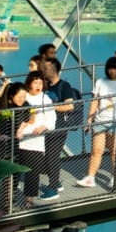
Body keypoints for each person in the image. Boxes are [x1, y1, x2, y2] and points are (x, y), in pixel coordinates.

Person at [80, 57, 116, 188]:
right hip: (100, 121)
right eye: (109, 68)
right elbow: (95, 101)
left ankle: (115, 177)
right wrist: (89, 119)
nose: (111, 71)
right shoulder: (100, 82)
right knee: (97, 150)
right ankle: (90, 177)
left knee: (114, 151)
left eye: (114, 68)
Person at [41, 58, 78, 194]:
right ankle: (55, 182)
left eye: (47, 68)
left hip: (59, 126)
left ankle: (53, 188)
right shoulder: (46, 86)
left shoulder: (64, 86)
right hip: (47, 126)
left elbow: (69, 106)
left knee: (52, 155)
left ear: (54, 69)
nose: (44, 70)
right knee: (47, 156)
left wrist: (51, 107)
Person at [23, 70, 60, 202]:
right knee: (15, 172)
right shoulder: (23, 96)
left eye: (40, 82)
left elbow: (52, 120)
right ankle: (8, 199)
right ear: (29, 83)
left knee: (32, 173)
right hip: (20, 139)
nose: (38, 85)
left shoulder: (45, 99)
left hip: (35, 141)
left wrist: (43, 127)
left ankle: (29, 200)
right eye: (35, 82)